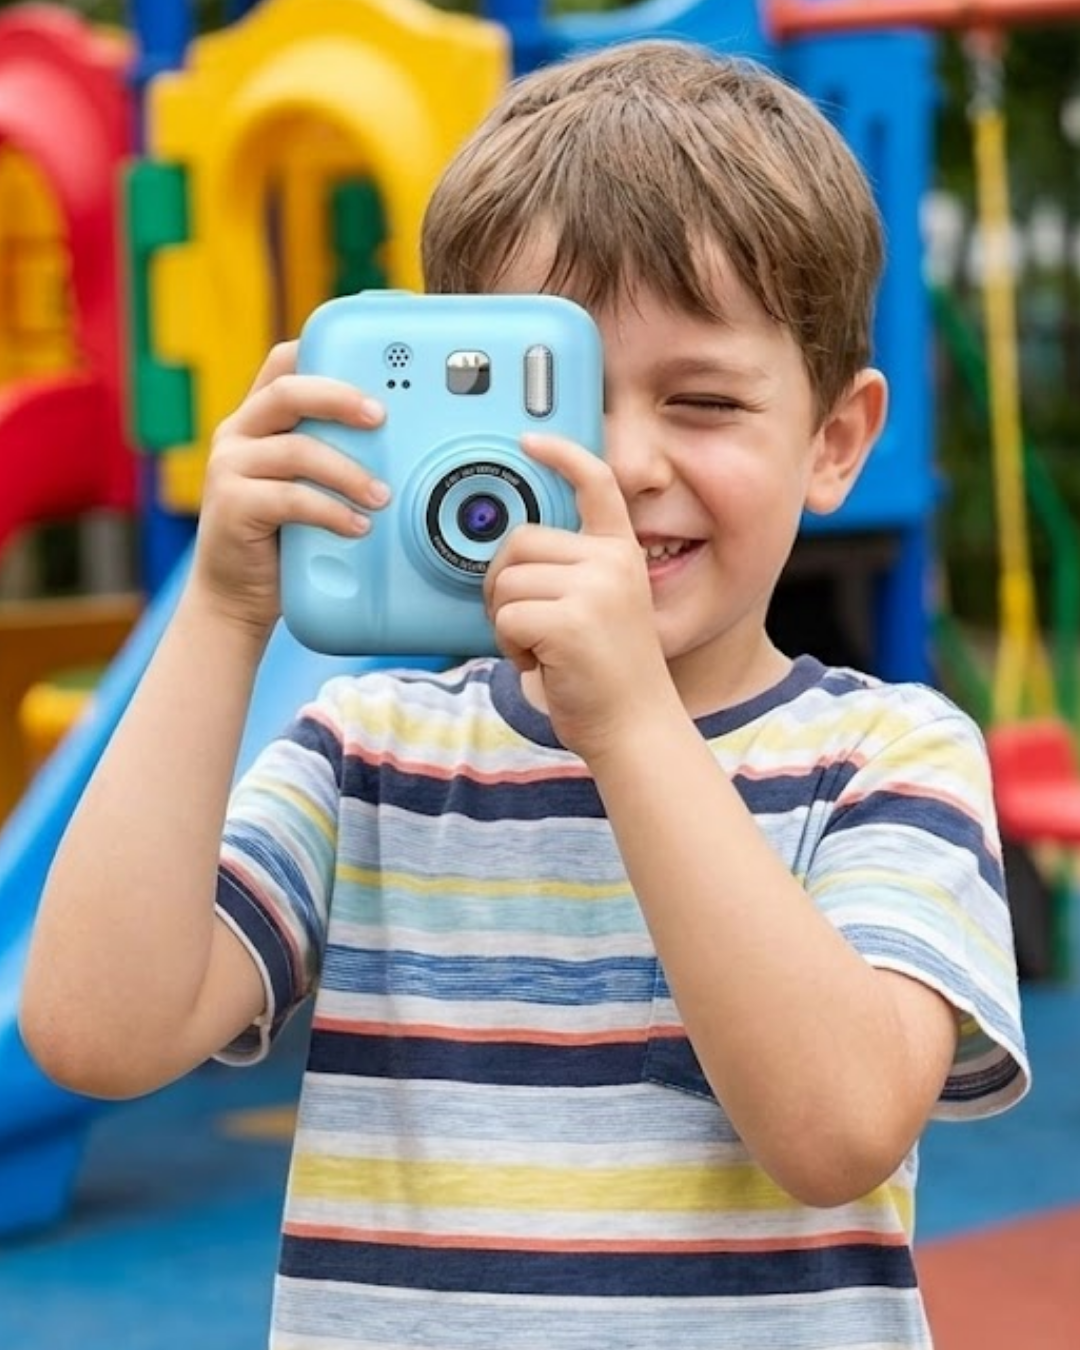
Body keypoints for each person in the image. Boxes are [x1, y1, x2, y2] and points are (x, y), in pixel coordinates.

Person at [21, 38, 1028, 1350]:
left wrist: (626, 723)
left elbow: (834, 1128)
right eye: (549, 397)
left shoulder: (889, 754)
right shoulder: (366, 754)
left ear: (835, 440)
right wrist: (221, 614)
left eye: (706, 399)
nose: (619, 463)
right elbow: (95, 1033)